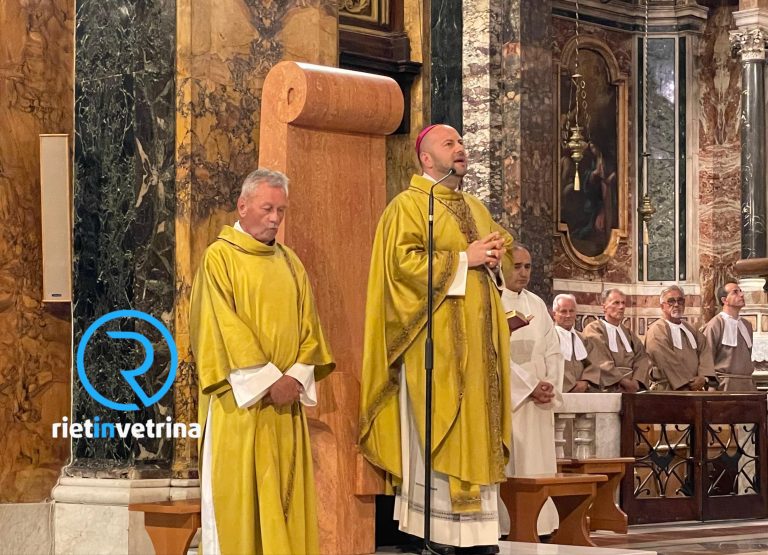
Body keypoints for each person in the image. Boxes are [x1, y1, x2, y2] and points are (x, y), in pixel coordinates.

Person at [359, 124, 513, 554]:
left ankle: (479, 533)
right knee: (440, 425)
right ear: (426, 159)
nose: (461, 148)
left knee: (478, 428)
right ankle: (438, 531)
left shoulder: (475, 206)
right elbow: (401, 268)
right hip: (437, 348)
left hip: (480, 351)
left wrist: (495, 259)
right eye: (450, 144)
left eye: (462, 142)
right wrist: (467, 257)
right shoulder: (406, 208)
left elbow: (501, 255)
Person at [189, 169, 335, 555]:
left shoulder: (290, 262)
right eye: (267, 208)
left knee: (285, 507)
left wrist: (297, 378)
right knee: (241, 508)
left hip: (285, 407)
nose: (274, 218)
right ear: (242, 205)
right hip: (241, 407)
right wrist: (270, 381)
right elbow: (221, 328)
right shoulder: (219, 258)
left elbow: (311, 329)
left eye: (281, 211)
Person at [500, 246, 564, 536]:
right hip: (513, 403)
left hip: (539, 403)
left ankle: (542, 524)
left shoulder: (537, 303)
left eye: (527, 267)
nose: (523, 273)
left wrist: (550, 384)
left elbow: (553, 349)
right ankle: (509, 524)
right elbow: (495, 354)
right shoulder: (492, 300)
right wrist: (528, 387)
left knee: (539, 464)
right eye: (516, 266)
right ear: (501, 266)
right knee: (515, 462)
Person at [644, 285, 716, 391]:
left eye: (680, 301)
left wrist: (704, 378)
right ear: (662, 306)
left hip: (694, 390)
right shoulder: (657, 330)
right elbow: (666, 361)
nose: (677, 304)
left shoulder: (691, 329)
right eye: (671, 301)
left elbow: (705, 352)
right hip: (667, 390)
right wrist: (690, 383)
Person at [582, 288, 651, 392]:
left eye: (623, 303)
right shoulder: (594, 329)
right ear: (604, 306)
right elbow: (600, 360)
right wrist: (623, 381)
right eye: (616, 303)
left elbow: (642, 357)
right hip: (607, 387)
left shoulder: (627, 332)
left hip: (632, 388)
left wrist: (636, 381)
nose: (621, 307)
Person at [702, 282, 756, 391]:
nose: (741, 295)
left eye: (740, 291)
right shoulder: (715, 324)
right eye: (735, 292)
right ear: (724, 300)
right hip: (724, 386)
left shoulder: (747, 325)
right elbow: (706, 359)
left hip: (747, 385)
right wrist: (711, 386)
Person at [552, 293, 599, 393]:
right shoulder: (549, 337)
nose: (568, 315)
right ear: (554, 314)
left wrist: (586, 381)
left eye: (571, 311)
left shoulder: (583, 338)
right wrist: (571, 385)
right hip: (559, 391)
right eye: (563, 311)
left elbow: (593, 363)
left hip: (584, 391)